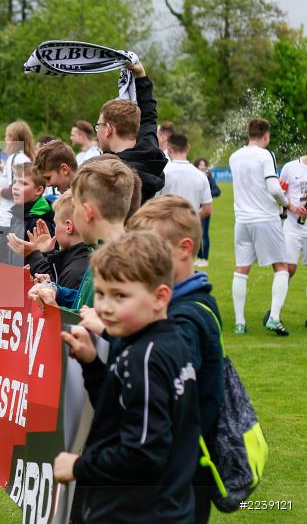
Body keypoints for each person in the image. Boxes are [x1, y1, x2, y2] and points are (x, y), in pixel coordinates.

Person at [54, 231, 200, 524]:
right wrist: (93, 364)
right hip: (166, 505)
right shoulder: (164, 341)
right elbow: (122, 411)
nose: (105, 306)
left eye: (120, 295)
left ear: (160, 297)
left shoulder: (144, 358)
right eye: (101, 293)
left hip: (136, 512)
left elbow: (143, 453)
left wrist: (79, 466)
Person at [127, 195, 225, 524]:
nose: (142, 261)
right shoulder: (187, 303)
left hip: (180, 473)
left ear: (184, 248)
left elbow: (161, 386)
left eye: (152, 250)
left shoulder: (187, 317)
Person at [29, 156, 137, 312]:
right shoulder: (103, 252)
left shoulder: (117, 264)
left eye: (76, 206)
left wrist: (56, 312)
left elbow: (103, 327)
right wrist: (58, 292)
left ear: (87, 212)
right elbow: (86, 301)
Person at [228, 117, 290, 336]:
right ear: (266, 136)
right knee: (281, 267)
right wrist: (286, 203)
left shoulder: (234, 156)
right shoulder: (266, 155)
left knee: (241, 270)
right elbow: (273, 188)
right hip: (264, 218)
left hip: (242, 220)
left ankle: (239, 322)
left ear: (249, 134)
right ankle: (273, 318)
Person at [96, 61, 167, 202]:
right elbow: (148, 118)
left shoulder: (109, 173)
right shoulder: (149, 154)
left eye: (98, 126)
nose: (97, 131)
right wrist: (141, 76)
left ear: (109, 129)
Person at [9, 192, 89, 291]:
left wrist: (33, 256)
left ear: (69, 227)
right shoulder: (78, 258)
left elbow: (56, 297)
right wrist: (47, 254)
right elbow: (55, 277)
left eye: (56, 223)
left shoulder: (76, 271)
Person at [0, 120, 33, 264]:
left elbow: (17, 191)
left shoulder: (15, 158)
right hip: (13, 220)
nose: (5, 140)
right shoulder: (21, 158)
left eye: (8, 136)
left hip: (9, 220)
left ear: (15, 139)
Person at [158, 133, 213, 230]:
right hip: (190, 230)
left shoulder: (163, 173)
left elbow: (153, 204)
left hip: (167, 229)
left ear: (169, 150)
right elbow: (207, 209)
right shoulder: (201, 175)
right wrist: (189, 220)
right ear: (188, 148)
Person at [279, 151, 307, 324]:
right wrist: (293, 207)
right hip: (292, 227)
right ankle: (275, 312)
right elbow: (279, 194)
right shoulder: (290, 167)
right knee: (289, 269)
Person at [10, 162, 55, 239]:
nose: (15, 187)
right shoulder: (18, 214)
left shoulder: (40, 224)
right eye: (14, 182)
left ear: (38, 190)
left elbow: (46, 250)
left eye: (23, 183)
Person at [193, 158, 221, 267]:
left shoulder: (208, 178)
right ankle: (199, 257)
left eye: (204, 165)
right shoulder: (194, 177)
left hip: (205, 209)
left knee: (204, 234)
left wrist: (206, 194)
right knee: (197, 234)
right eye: (200, 164)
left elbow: (217, 191)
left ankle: (205, 258)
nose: (202, 166)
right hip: (195, 208)